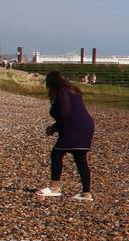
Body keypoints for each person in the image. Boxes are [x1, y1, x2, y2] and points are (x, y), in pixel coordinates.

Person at [37, 71, 94, 201]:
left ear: (51, 83)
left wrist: (53, 128)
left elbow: (65, 114)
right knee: (80, 158)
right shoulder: (74, 91)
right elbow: (71, 113)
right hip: (86, 126)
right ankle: (86, 193)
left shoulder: (61, 92)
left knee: (56, 154)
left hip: (74, 127)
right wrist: (55, 127)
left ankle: (54, 188)